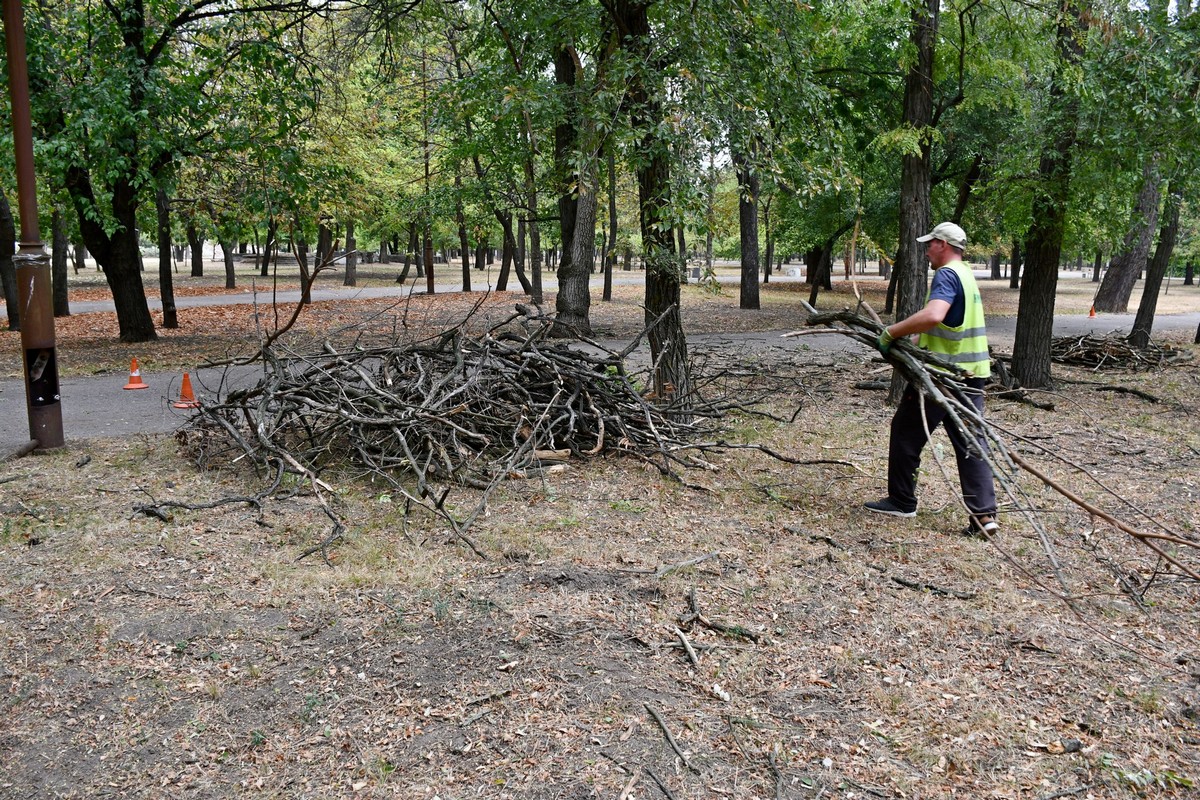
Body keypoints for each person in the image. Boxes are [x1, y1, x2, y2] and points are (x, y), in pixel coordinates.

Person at [864, 221, 998, 536]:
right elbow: (950, 324)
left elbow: (935, 314)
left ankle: (902, 501)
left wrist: (891, 331)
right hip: (971, 374)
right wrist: (912, 344)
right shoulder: (967, 275)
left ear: (943, 244)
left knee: (905, 432)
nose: (926, 251)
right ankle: (984, 517)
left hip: (943, 376)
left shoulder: (947, 275)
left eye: (930, 244)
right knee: (970, 442)